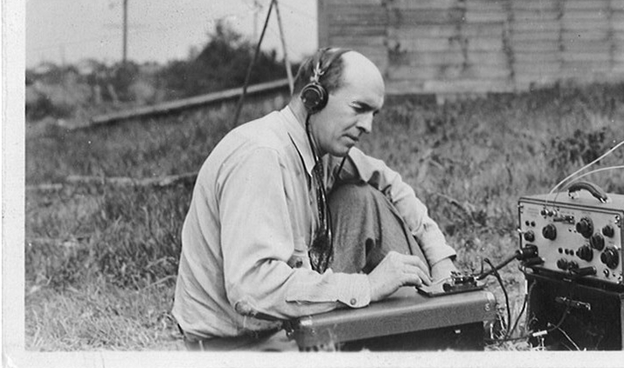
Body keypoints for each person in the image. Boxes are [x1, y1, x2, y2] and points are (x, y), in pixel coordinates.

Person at [172, 47, 458, 351]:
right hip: (238, 347)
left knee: (362, 198)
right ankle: (431, 337)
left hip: (283, 327)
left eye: (373, 114)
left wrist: (441, 261)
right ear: (313, 98)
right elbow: (251, 289)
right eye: (359, 108)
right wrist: (369, 286)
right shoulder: (261, 157)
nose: (368, 126)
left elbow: (388, 182)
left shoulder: (318, 148)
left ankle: (442, 318)